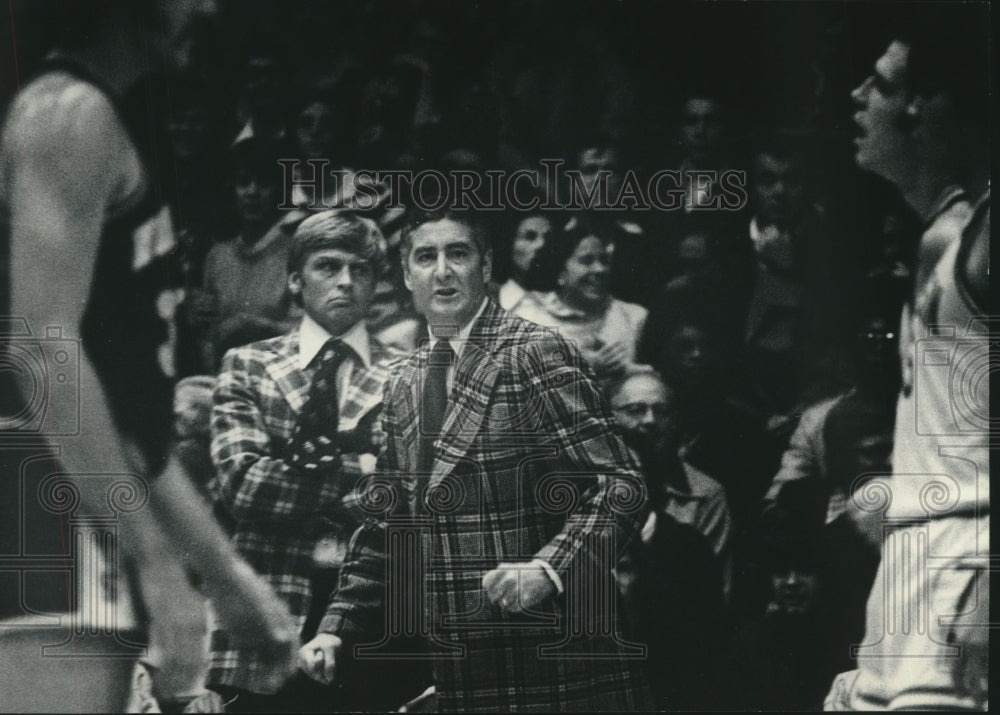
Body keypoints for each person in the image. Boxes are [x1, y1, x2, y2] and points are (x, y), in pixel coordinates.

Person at [0, 0, 297, 708]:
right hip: (37, 477)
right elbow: (42, 352)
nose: (208, 8)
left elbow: (134, 416)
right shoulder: (68, 114)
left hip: (84, 482)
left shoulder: (109, 120)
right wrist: (160, 561)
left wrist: (224, 573)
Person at [300, 210, 653, 711]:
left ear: (485, 267)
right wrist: (336, 628)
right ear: (406, 277)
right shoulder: (404, 381)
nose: (442, 270)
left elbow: (620, 486)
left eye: (458, 254)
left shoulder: (537, 352)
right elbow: (389, 522)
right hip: (463, 667)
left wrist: (547, 569)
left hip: (559, 661)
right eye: (426, 257)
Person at [827, 9, 989, 710]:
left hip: (965, 571)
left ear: (925, 106)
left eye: (880, 83)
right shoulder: (942, 236)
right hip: (908, 571)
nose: (857, 96)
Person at [206, 211, 424, 711]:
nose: (346, 280)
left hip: (373, 613)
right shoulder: (249, 365)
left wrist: (302, 475)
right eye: (328, 266)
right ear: (295, 280)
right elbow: (245, 486)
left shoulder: (410, 375)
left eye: (361, 269)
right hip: (267, 601)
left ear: (376, 284)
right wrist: (362, 469)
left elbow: (407, 498)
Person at [513, 213, 648, 381]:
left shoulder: (635, 317)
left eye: (604, 261)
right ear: (561, 272)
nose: (600, 270)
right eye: (587, 261)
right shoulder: (527, 318)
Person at [496, 211, 553, 310]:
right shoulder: (492, 302)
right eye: (530, 237)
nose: (541, 244)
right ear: (510, 244)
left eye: (548, 238)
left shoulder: (569, 304)